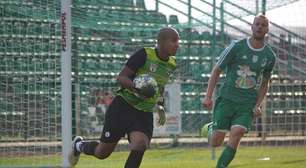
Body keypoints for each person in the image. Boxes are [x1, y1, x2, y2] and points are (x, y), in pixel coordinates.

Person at [68, 27, 180, 168]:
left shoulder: (172, 64)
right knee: (102, 152)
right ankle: (79, 145)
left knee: (141, 144)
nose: (177, 44)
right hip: (123, 107)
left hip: (143, 113)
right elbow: (121, 77)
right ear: (161, 42)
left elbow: (161, 87)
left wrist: (160, 106)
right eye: (174, 40)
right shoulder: (144, 54)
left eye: (178, 41)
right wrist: (137, 89)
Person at [202, 14, 276, 168]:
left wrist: (258, 105)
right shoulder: (237, 46)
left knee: (237, 134)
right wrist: (208, 96)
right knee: (216, 141)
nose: (260, 27)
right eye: (257, 24)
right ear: (252, 27)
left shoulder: (270, 56)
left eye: (263, 25)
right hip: (227, 99)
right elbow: (217, 70)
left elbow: (265, 82)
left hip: (246, 104)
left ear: (267, 29)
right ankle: (209, 129)